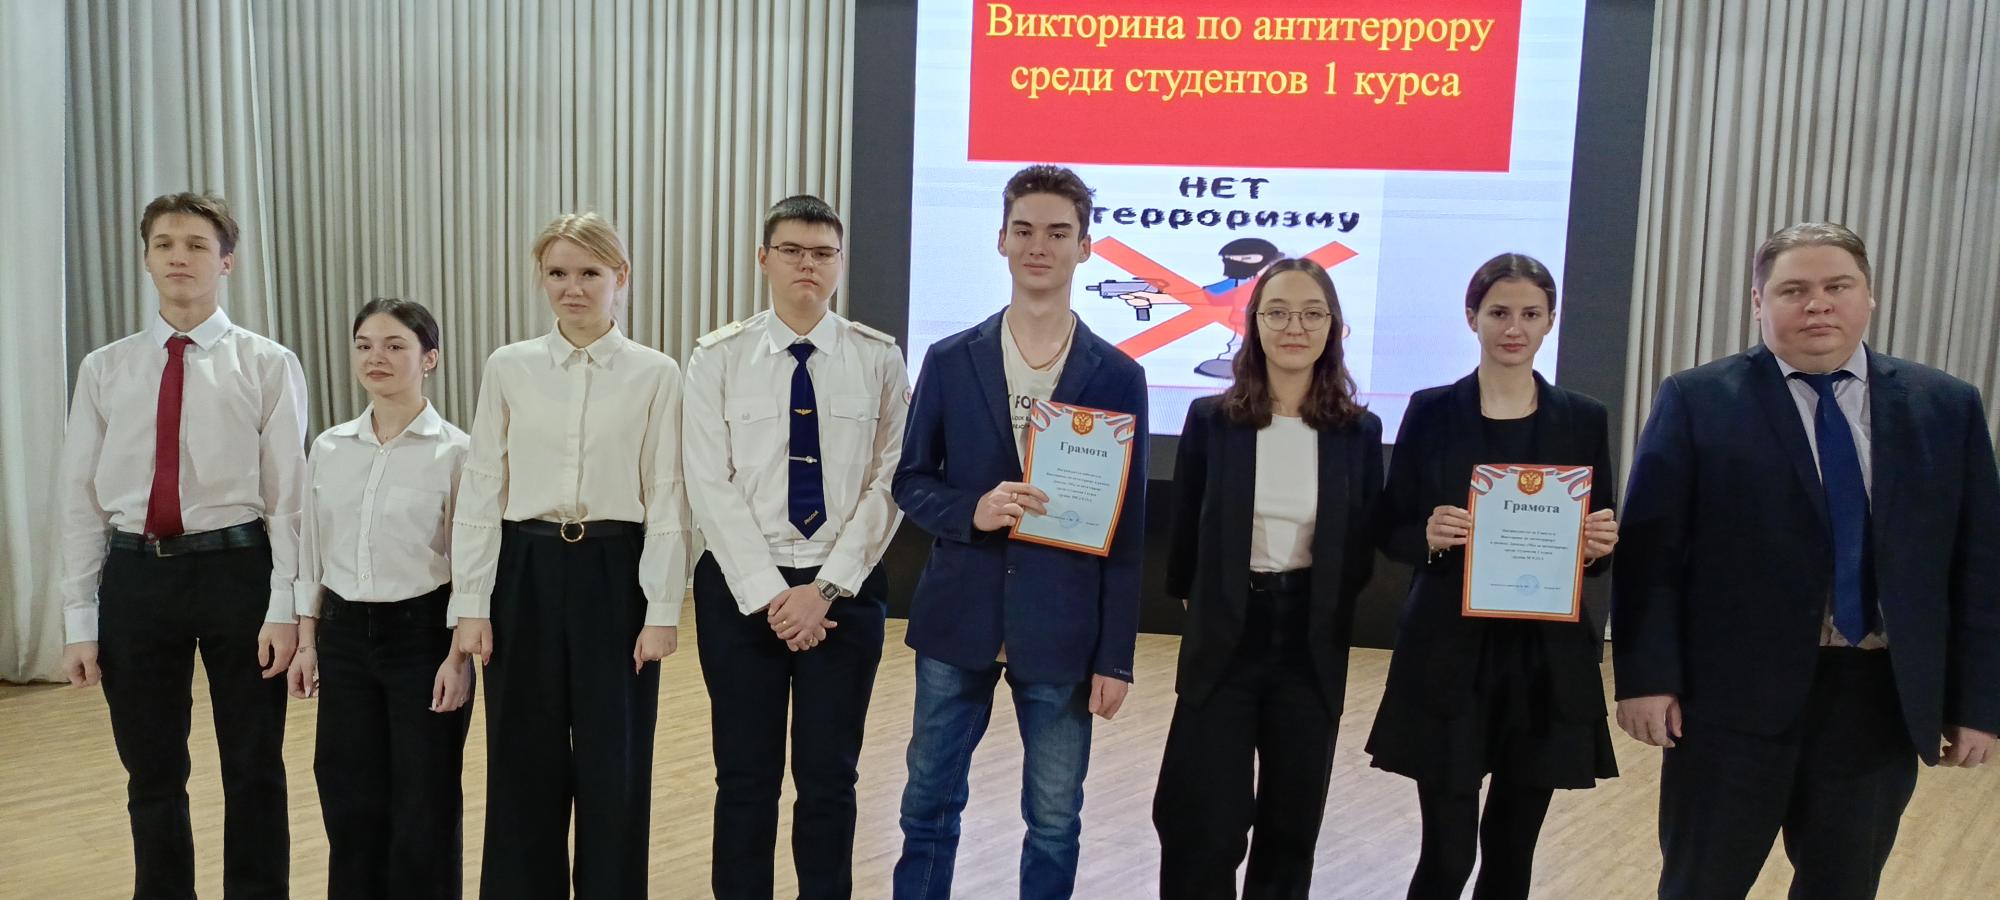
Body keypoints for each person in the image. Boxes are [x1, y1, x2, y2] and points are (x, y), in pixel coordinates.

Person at [1615, 222, 2000, 899]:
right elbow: (1652, 556)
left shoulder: (1947, 407)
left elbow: (1979, 568)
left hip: (1877, 704)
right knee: (1700, 886)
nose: (1817, 304)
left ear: (1869, 296)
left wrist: (1979, 702)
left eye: (1837, 286)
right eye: (1793, 290)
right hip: (1730, 705)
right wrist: (1645, 679)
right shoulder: (1697, 401)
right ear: (1758, 302)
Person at [891, 164, 1149, 899]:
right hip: (958, 618)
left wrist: (1117, 656)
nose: (1040, 246)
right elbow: (911, 479)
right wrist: (969, 511)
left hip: (1063, 629)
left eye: (1058, 233)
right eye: (1025, 230)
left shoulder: (1118, 374)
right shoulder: (950, 359)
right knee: (927, 806)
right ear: (1001, 240)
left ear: (1085, 248)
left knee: (1055, 819)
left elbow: (1128, 531)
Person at [56, 191, 308, 898]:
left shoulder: (267, 363)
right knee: (152, 770)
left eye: (197, 245)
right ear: (145, 258)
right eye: (164, 243)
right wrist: (79, 619)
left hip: (238, 571)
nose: (178, 257)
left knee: (253, 765)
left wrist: (286, 607)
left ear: (226, 262)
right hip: (136, 578)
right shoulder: (105, 368)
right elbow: (80, 499)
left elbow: (290, 497)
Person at [1364, 254, 1620, 900]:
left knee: (1511, 856)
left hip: (1544, 660)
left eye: (1531, 314)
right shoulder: (1431, 410)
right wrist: (1426, 534)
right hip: (1448, 654)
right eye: (1499, 312)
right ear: (1471, 317)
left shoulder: (1583, 418)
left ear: (1551, 321)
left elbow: (1599, 537)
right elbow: (1390, 527)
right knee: (1447, 856)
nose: (1514, 328)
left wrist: (1598, 546)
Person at [449, 212, 689, 899]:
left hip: (616, 571)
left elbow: (667, 493)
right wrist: (471, 604)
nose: (572, 288)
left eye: (589, 273)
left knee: (616, 761)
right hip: (523, 569)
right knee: (521, 758)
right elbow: (483, 485)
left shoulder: (656, 373)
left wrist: (662, 609)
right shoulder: (509, 366)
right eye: (557, 273)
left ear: (621, 277)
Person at [683, 195, 909, 899]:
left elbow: (892, 479)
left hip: (842, 594)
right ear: (764, 259)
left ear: (840, 263)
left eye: (822, 253)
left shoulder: (877, 357)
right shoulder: (718, 357)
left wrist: (826, 589)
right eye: (791, 250)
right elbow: (707, 481)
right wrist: (770, 594)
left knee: (830, 778)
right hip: (741, 593)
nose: (807, 264)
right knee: (744, 778)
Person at [1152, 257, 1383, 899]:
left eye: (1311, 313)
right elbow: (1186, 539)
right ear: (1253, 324)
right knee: (1203, 824)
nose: (1294, 327)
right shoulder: (1211, 421)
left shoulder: (1358, 432)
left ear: (1333, 326)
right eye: (1277, 312)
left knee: (1291, 827)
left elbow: (1359, 545)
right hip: (1226, 638)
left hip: (1308, 643)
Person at [287, 298, 475, 898]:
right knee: (348, 794)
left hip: (423, 638)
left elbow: (470, 568)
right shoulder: (329, 447)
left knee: (426, 798)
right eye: (365, 345)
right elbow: (312, 553)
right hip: (343, 637)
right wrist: (307, 643)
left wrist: (458, 657)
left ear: (430, 359)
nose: (377, 357)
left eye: (395, 346)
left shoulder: (457, 452)